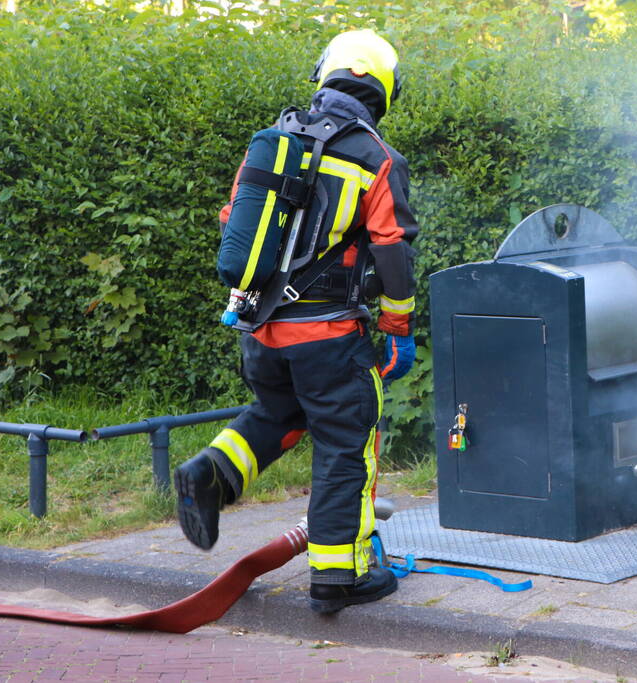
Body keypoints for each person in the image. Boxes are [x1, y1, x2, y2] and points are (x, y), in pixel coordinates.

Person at [174, 28, 419, 614]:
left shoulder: (272, 141)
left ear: (324, 74)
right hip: (330, 336)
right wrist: (397, 328)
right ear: (383, 91)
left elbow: (237, 221)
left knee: (278, 413)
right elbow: (393, 249)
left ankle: (209, 471)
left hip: (262, 331)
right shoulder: (377, 158)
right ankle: (339, 577)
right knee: (344, 443)